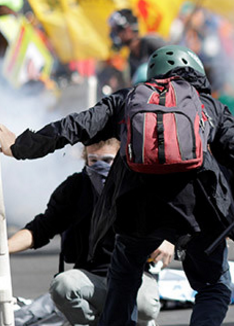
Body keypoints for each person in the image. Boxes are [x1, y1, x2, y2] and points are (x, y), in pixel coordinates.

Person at [0, 45, 234, 326]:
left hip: (137, 209)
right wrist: (233, 212)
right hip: (197, 209)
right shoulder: (210, 107)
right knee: (213, 287)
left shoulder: (126, 101)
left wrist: (20, 147)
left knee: (122, 281)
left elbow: (73, 126)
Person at [8, 139, 169, 326]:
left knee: (146, 305)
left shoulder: (137, 186)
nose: (100, 167)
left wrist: (168, 240)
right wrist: (5, 248)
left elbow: (171, 217)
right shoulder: (75, 188)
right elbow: (41, 228)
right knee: (63, 286)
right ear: (85, 159)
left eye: (108, 161)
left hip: (133, 276)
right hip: (90, 280)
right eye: (93, 160)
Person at [108, 8, 167, 82]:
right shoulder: (131, 58)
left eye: (117, 30)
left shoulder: (152, 42)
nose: (115, 34)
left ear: (128, 29)